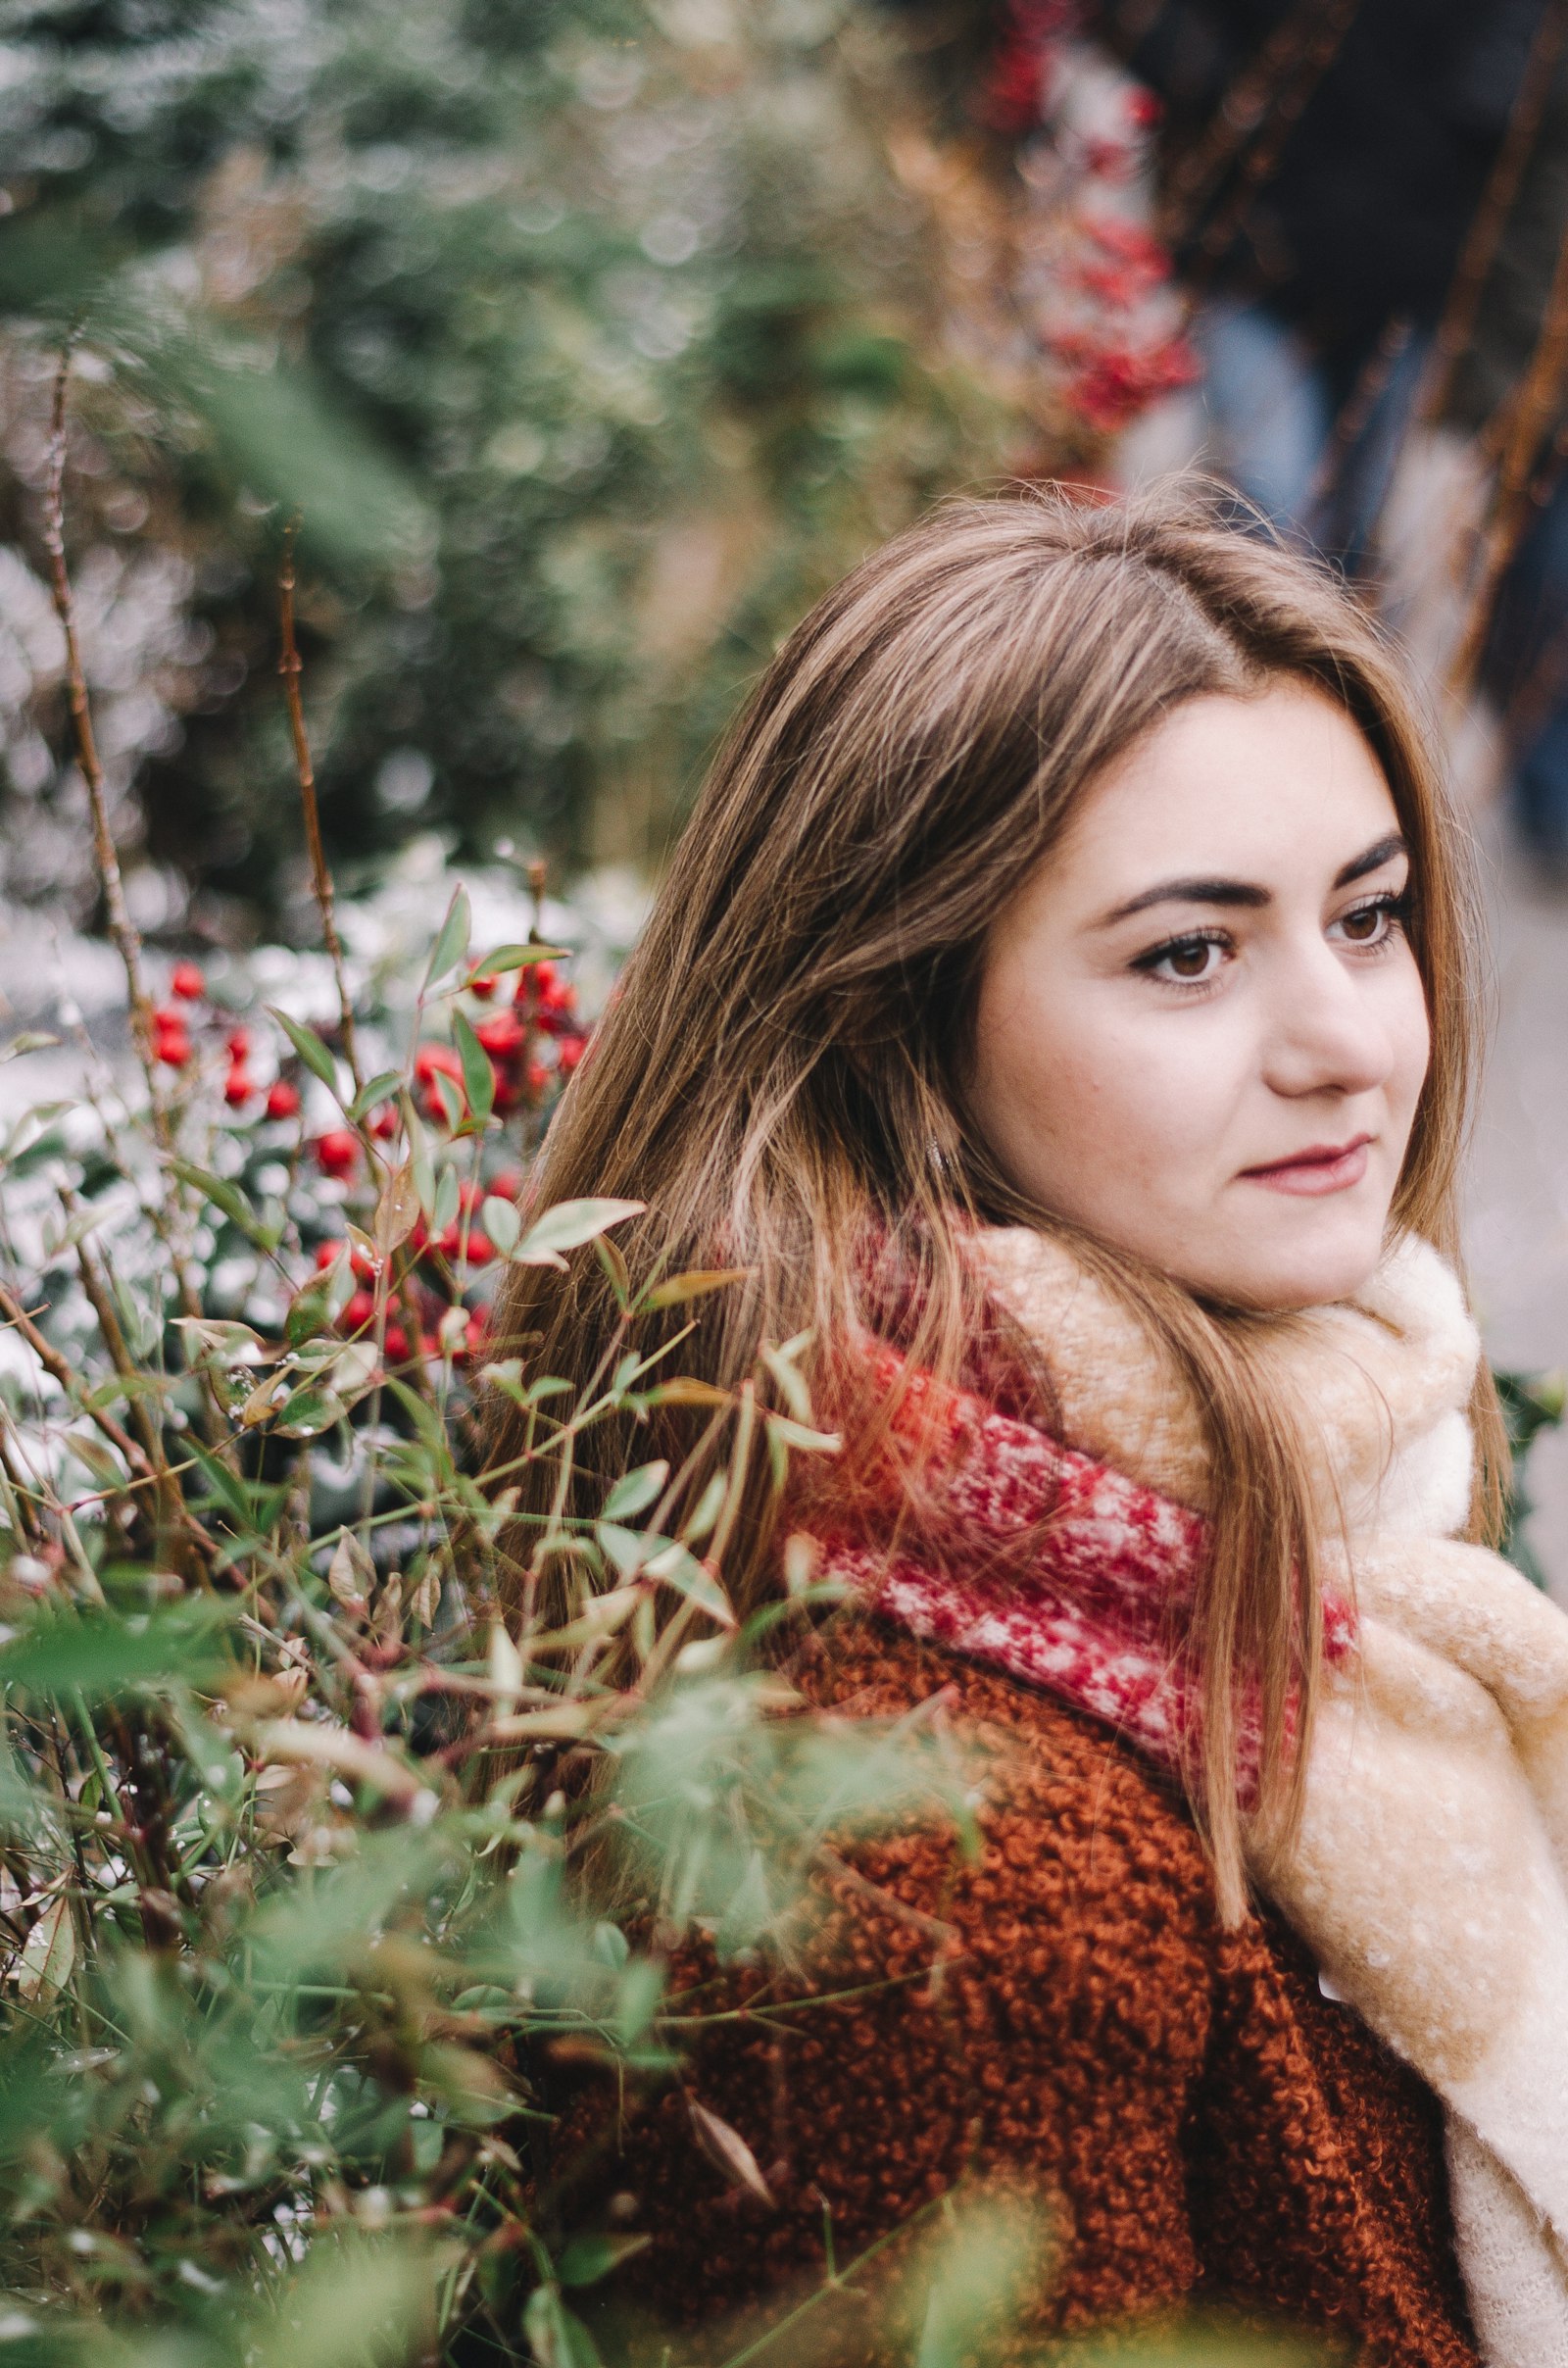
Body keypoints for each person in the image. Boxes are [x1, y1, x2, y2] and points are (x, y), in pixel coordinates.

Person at [496, 487, 1568, 2366]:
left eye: (1370, 914)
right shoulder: (947, 1851)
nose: (1349, 1041)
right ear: (900, 1020)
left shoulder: (1319, 1476)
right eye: (1188, 954)